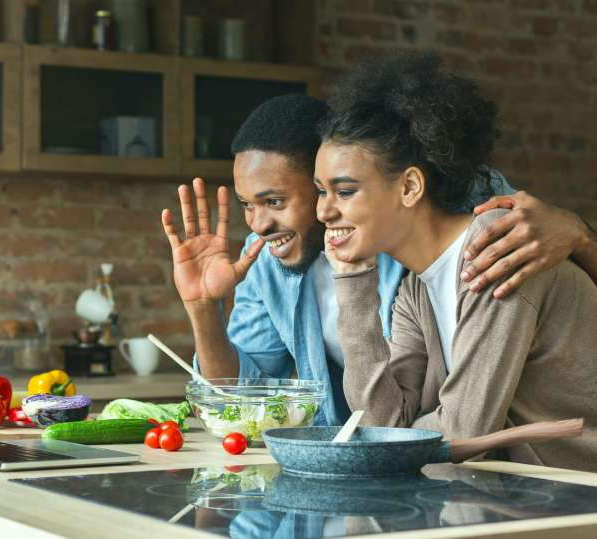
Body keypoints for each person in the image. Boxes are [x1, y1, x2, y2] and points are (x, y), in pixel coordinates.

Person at [161, 94, 597, 427]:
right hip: (439, 477)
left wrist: (579, 234)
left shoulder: (481, 237)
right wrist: (203, 309)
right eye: (246, 205)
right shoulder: (410, 284)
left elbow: (461, 429)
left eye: (275, 200)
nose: (257, 224)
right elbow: (242, 401)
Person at [315, 51, 597, 470]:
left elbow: (465, 432)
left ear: (409, 186)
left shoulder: (497, 245)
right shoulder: (416, 288)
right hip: (528, 499)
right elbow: (378, 425)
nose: (323, 211)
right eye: (321, 191)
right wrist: (354, 281)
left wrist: (396, 442)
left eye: (345, 191)